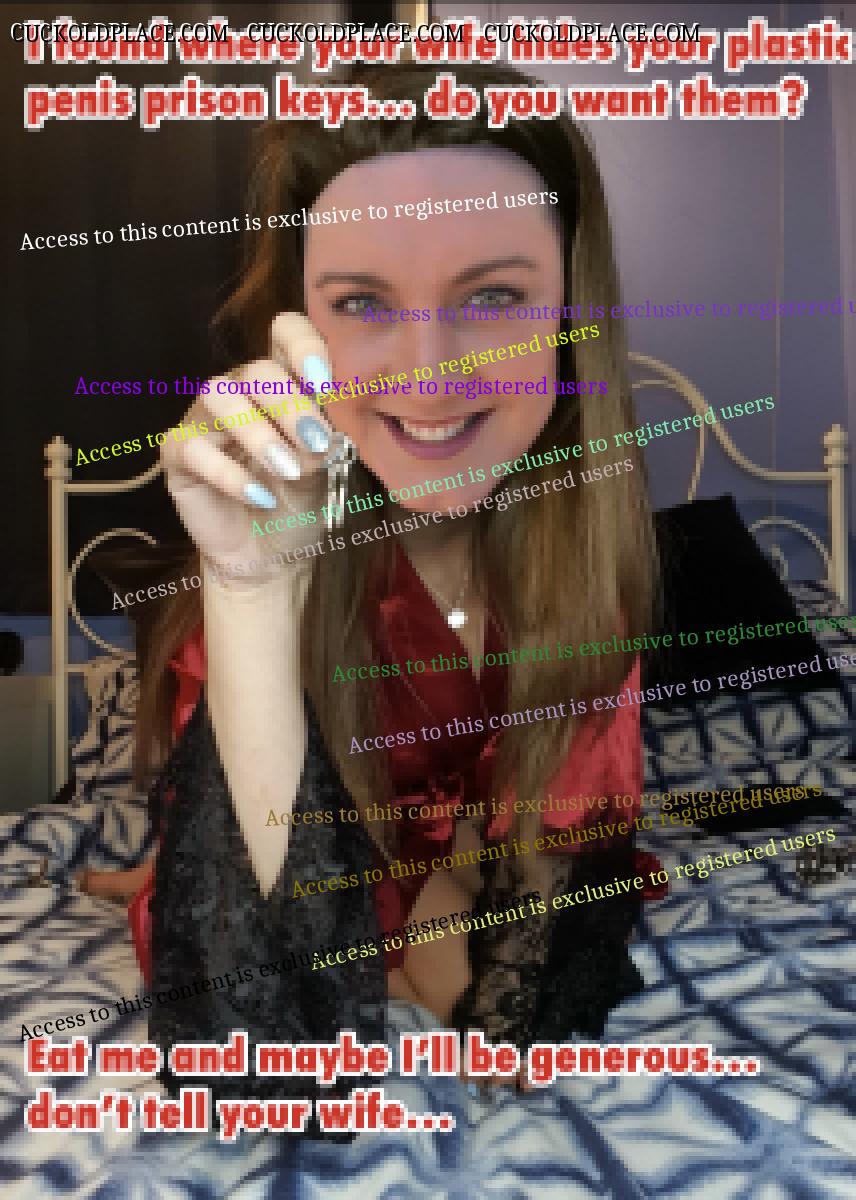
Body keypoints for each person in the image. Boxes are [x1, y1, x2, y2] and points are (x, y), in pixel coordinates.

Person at [83, 61, 658, 1111]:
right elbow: (260, 1044)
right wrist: (253, 589)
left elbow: (554, 877)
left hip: (449, 834)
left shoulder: (584, 564)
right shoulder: (277, 552)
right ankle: (151, 872)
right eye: (361, 302)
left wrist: (475, 901)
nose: (428, 370)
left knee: (484, 982)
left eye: (493, 296)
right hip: (299, 856)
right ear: (299, 328)